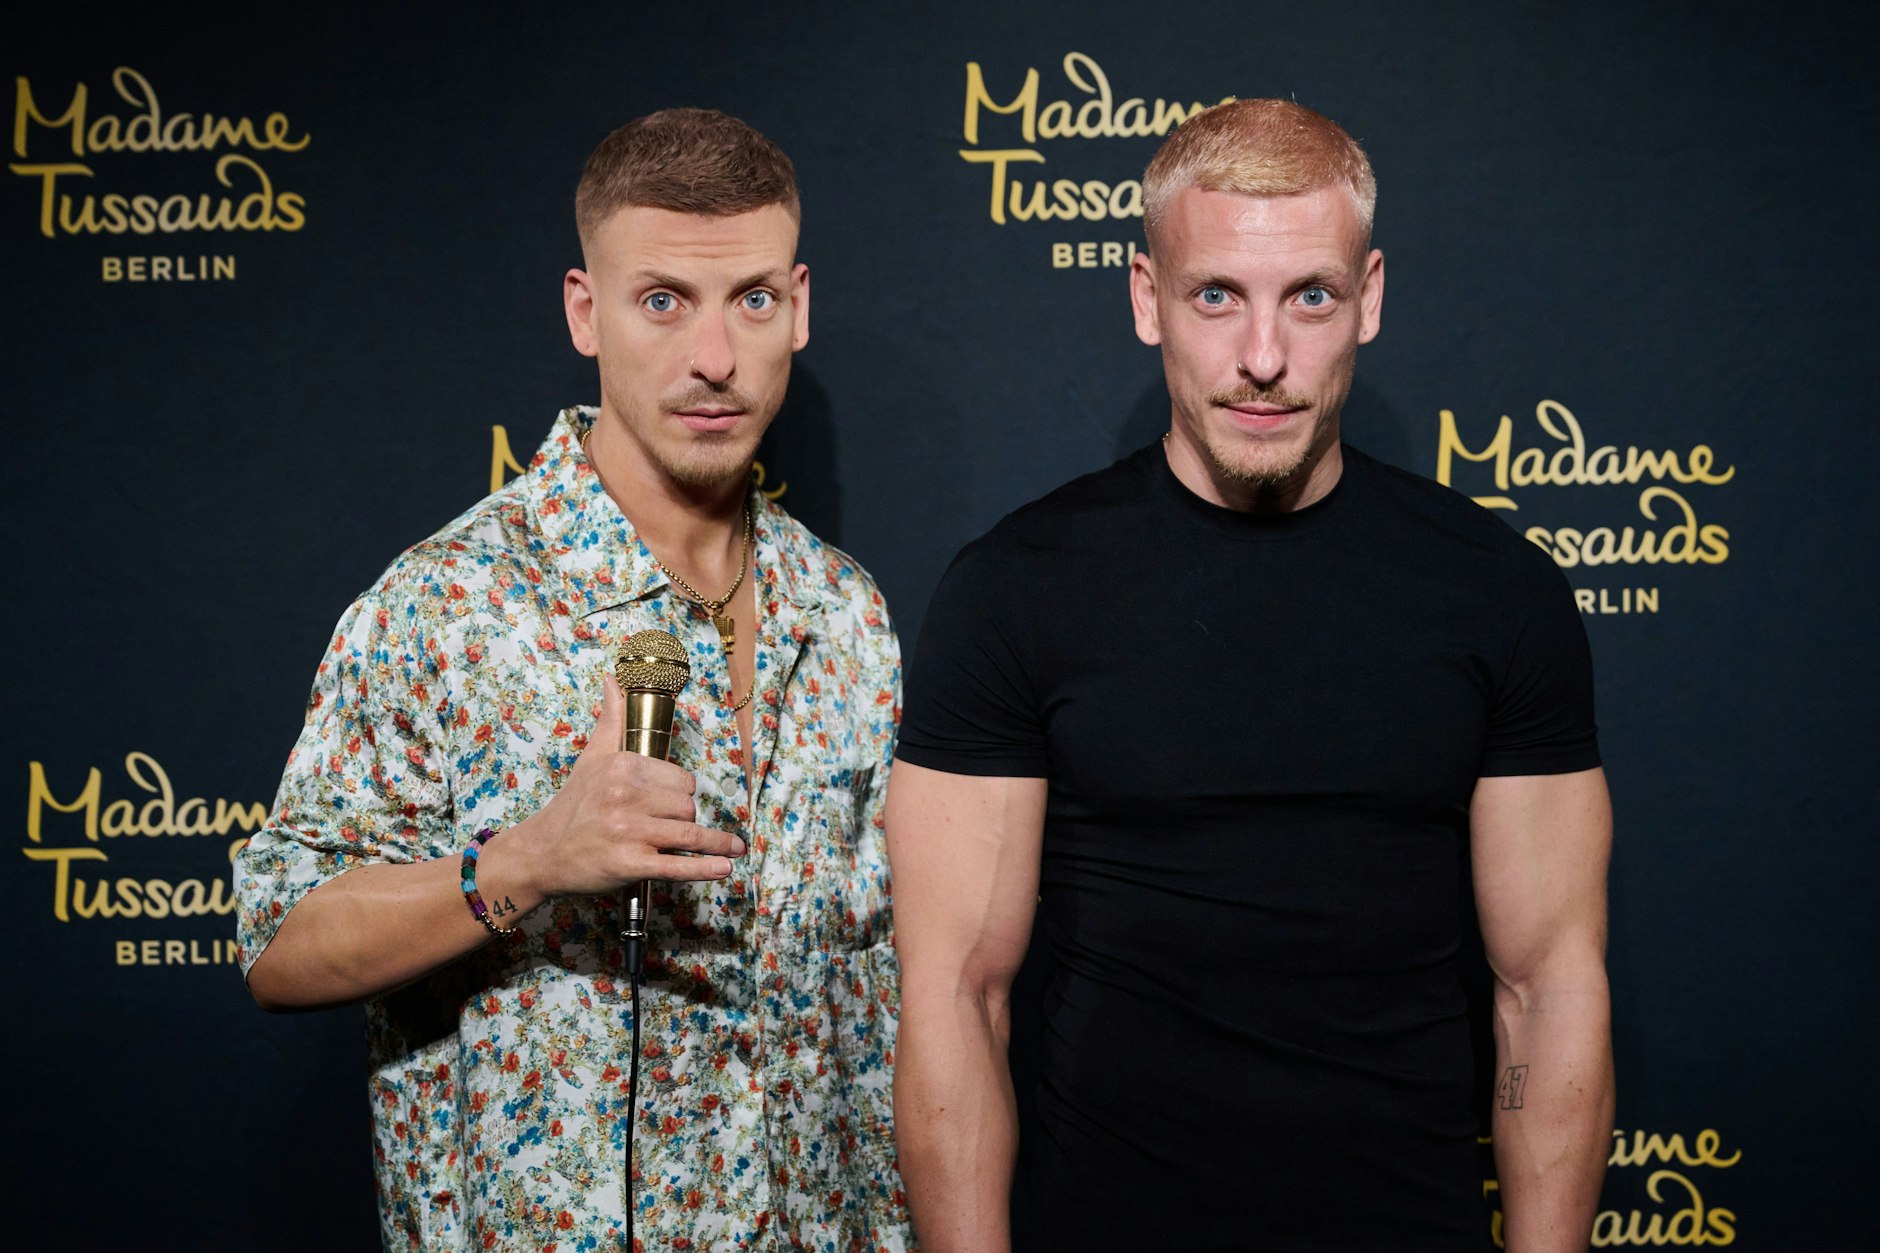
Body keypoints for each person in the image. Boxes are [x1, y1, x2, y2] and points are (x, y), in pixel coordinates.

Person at [888, 99, 1614, 1252]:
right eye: (1214, 294)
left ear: (1367, 297)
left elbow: (1546, 989)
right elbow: (953, 995)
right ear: (1145, 299)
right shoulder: (1015, 588)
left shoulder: (1495, 591)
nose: (1263, 358)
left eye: (1308, 297)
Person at [236, 109, 911, 1252]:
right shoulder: (449, 603)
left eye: (749, 299)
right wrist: (525, 860)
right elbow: (278, 941)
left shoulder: (845, 611)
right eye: (662, 301)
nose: (714, 358)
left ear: (796, 305)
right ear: (583, 312)